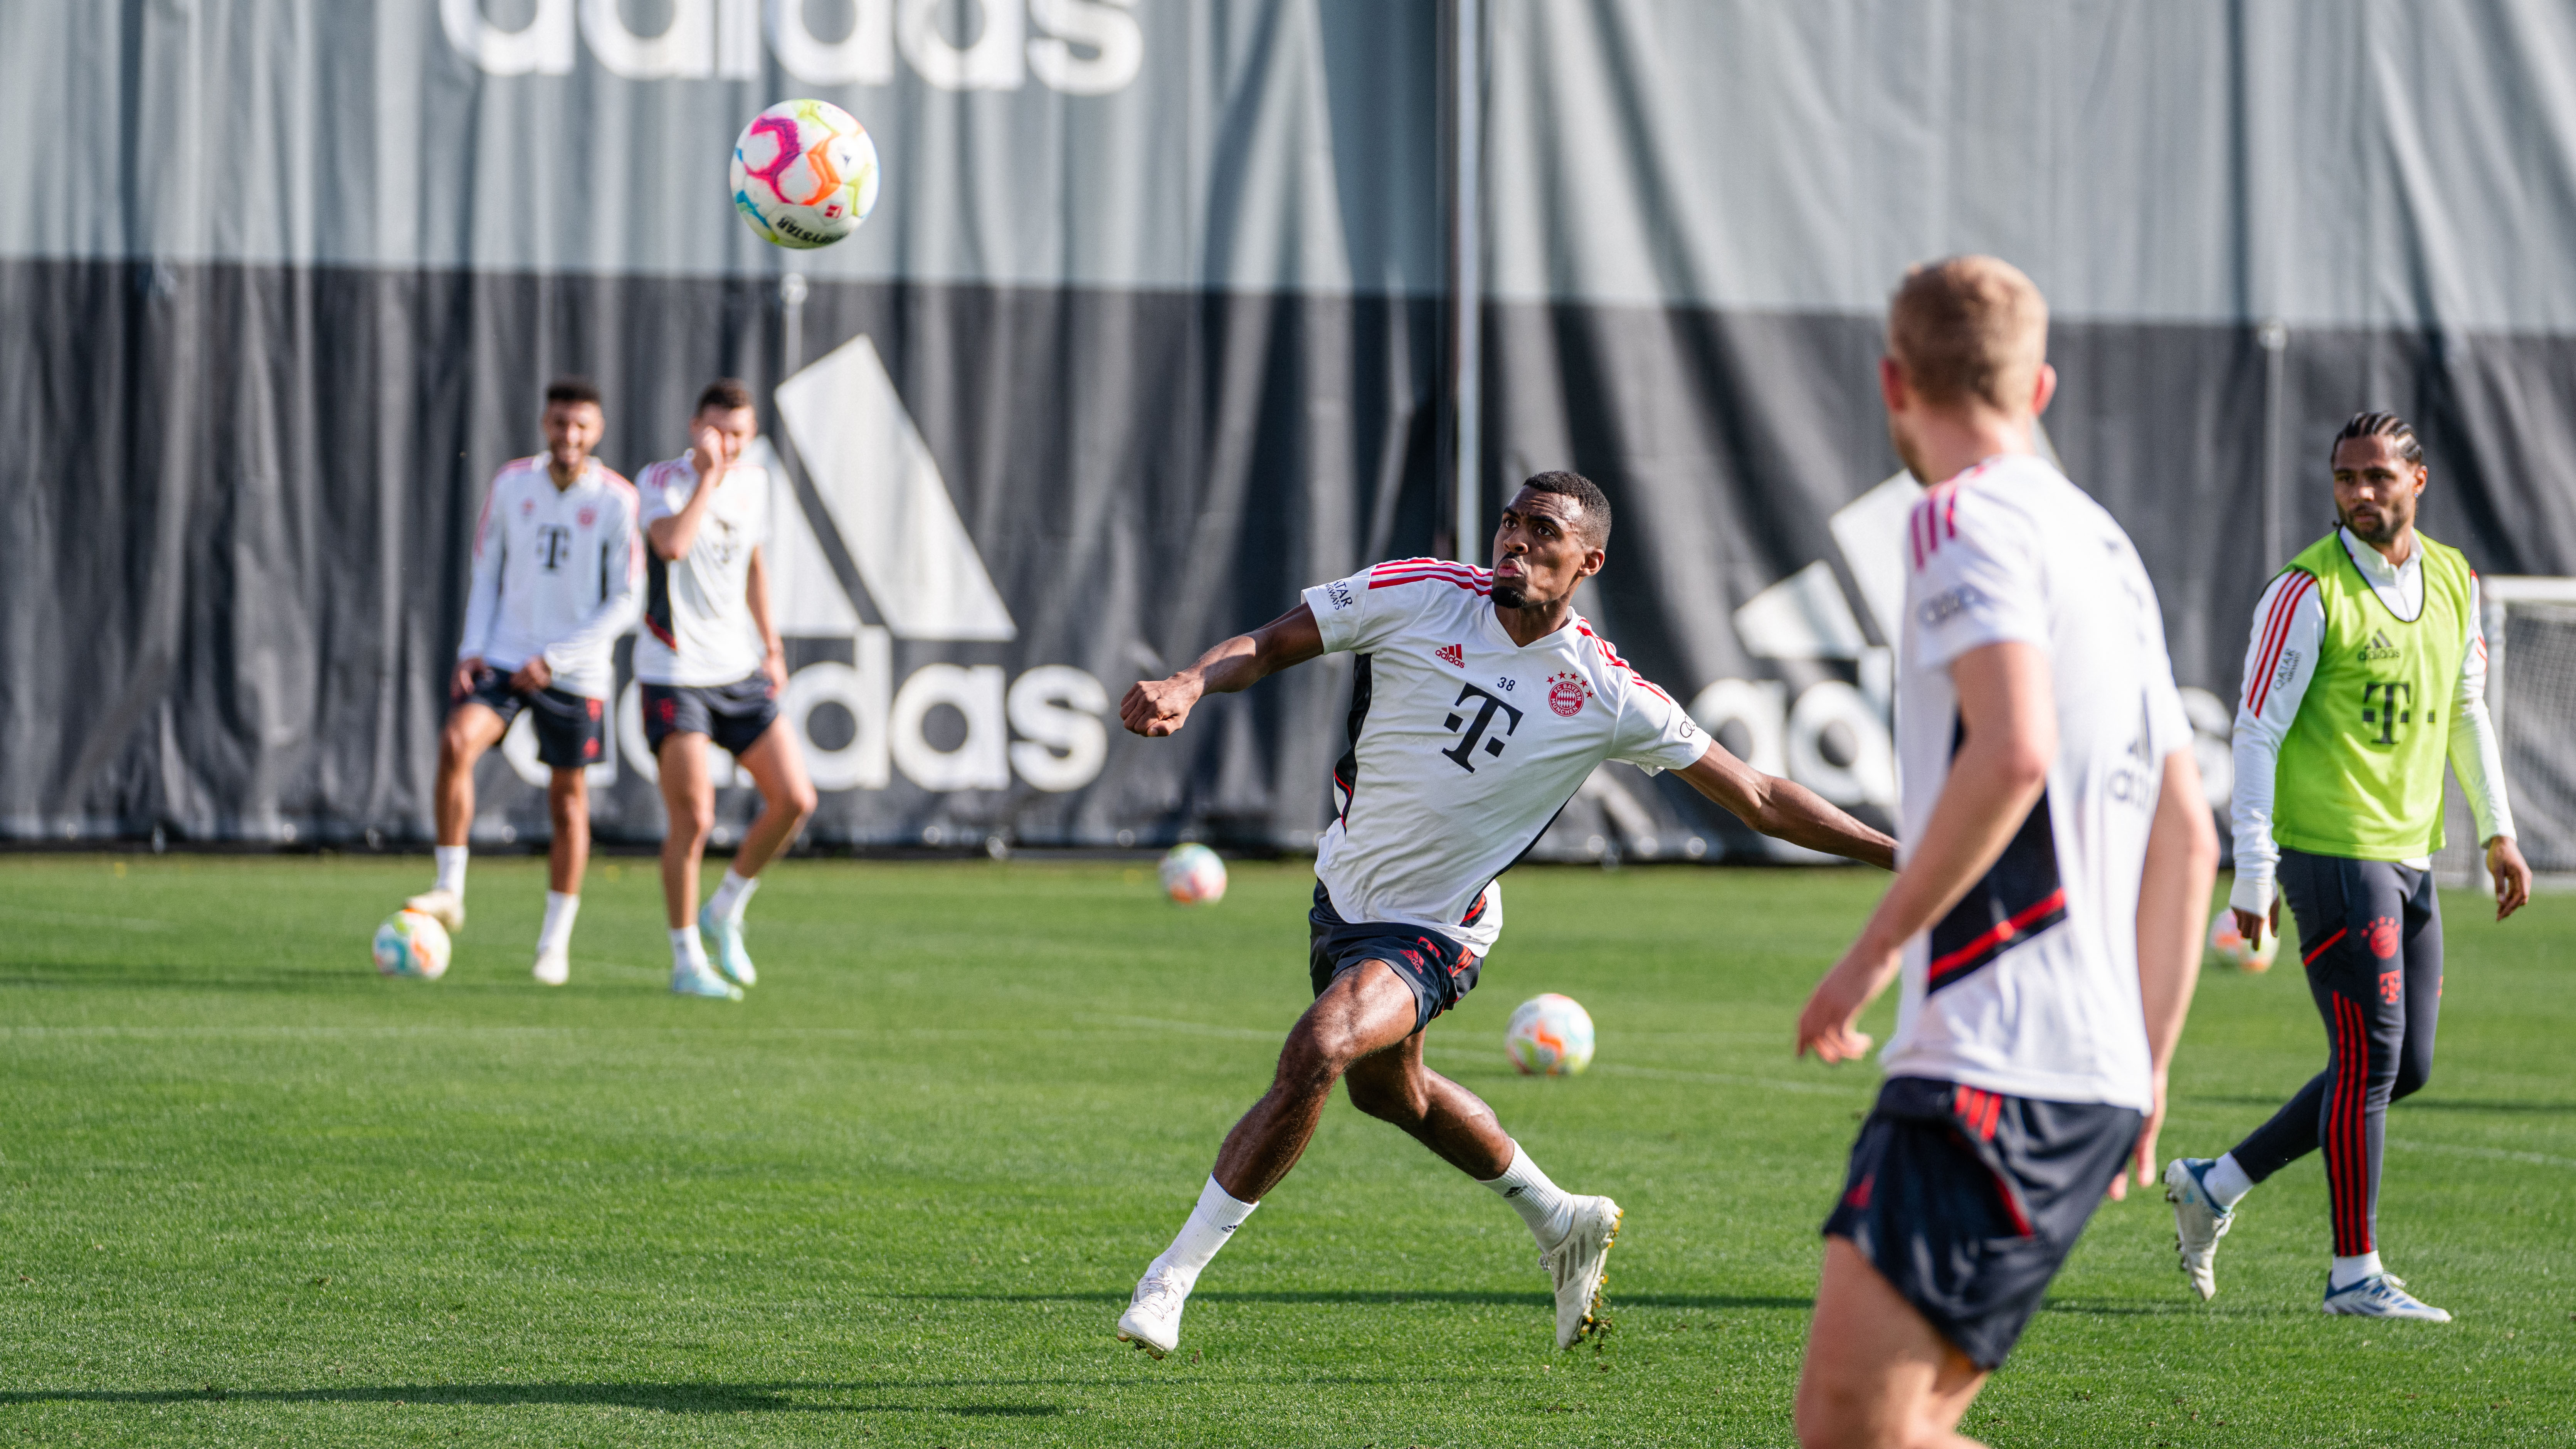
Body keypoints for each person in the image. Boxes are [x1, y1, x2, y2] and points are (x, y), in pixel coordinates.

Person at [1111, 471, 1900, 1360]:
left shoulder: (1604, 690)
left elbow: (1758, 796)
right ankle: (1560, 1217)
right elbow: (1268, 643)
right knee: (1392, 1093)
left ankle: (1170, 1277)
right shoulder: (1419, 593)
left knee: (1324, 1045)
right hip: (1343, 896)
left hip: (1437, 926)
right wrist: (1190, 682)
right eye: (1510, 523)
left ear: (1587, 562)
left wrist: (1902, 854)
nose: (1516, 542)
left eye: (1543, 532)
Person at [1789, 257, 2217, 1449]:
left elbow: (2014, 751)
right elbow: (2186, 831)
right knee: (1895, 1426)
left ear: (1891, 381)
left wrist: (1869, 956)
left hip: (1992, 1059)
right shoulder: (2102, 543)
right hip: (2082, 1073)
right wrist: (2149, 1061)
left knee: (1855, 1434)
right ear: (2040, 383)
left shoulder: (1955, 514)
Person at [2162, 412, 2531, 1321]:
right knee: (2368, 1058)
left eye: (2377, 477)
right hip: (2329, 853)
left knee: (2406, 1069)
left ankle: (2217, 1181)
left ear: (2419, 480)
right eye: (2344, 478)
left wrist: (2498, 828)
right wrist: (2252, 873)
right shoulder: (2304, 590)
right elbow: (2255, 732)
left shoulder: (2454, 579)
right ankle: (2352, 1273)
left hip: (2412, 854)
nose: (2360, 494)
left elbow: (2467, 709)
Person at [408, 377, 639, 985]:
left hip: (577, 671)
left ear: (598, 431)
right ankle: (450, 890)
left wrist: (559, 658)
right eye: (561, 423)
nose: (570, 436)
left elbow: (627, 600)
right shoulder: (513, 485)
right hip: (507, 656)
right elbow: (486, 569)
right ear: (545, 424)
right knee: (457, 743)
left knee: (568, 803)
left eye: (581, 425)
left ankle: (554, 943)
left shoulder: (617, 499)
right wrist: (474, 648)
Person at [634, 379, 818, 1002]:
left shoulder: (756, 483)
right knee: (695, 817)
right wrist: (708, 478)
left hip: (737, 670)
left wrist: (772, 647)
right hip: (674, 672)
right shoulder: (660, 480)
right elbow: (673, 545)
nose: (730, 445)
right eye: (718, 432)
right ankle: (686, 958)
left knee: (795, 798)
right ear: (695, 428)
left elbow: (755, 567)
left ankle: (726, 907)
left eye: (740, 434)